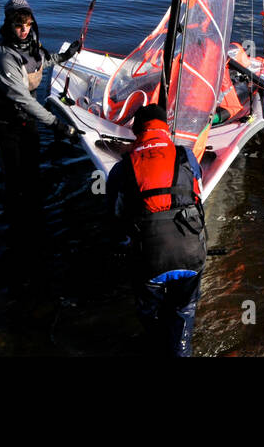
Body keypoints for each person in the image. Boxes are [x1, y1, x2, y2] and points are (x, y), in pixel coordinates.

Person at [107, 103, 207, 356]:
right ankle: (181, 350)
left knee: (150, 313)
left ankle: (155, 345)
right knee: (183, 312)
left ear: (137, 131)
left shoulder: (123, 166)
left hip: (150, 256)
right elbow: (197, 194)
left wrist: (119, 245)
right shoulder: (186, 155)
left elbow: (115, 216)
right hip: (192, 250)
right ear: (165, 129)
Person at [0, 0, 81, 211]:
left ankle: (34, 210)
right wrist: (59, 125)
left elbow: (40, 61)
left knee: (32, 170)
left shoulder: (31, 44)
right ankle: (15, 216)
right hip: (4, 123)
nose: (24, 30)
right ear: (9, 24)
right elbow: (23, 99)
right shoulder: (3, 56)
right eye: (19, 25)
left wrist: (64, 56)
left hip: (26, 119)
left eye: (28, 24)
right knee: (15, 178)